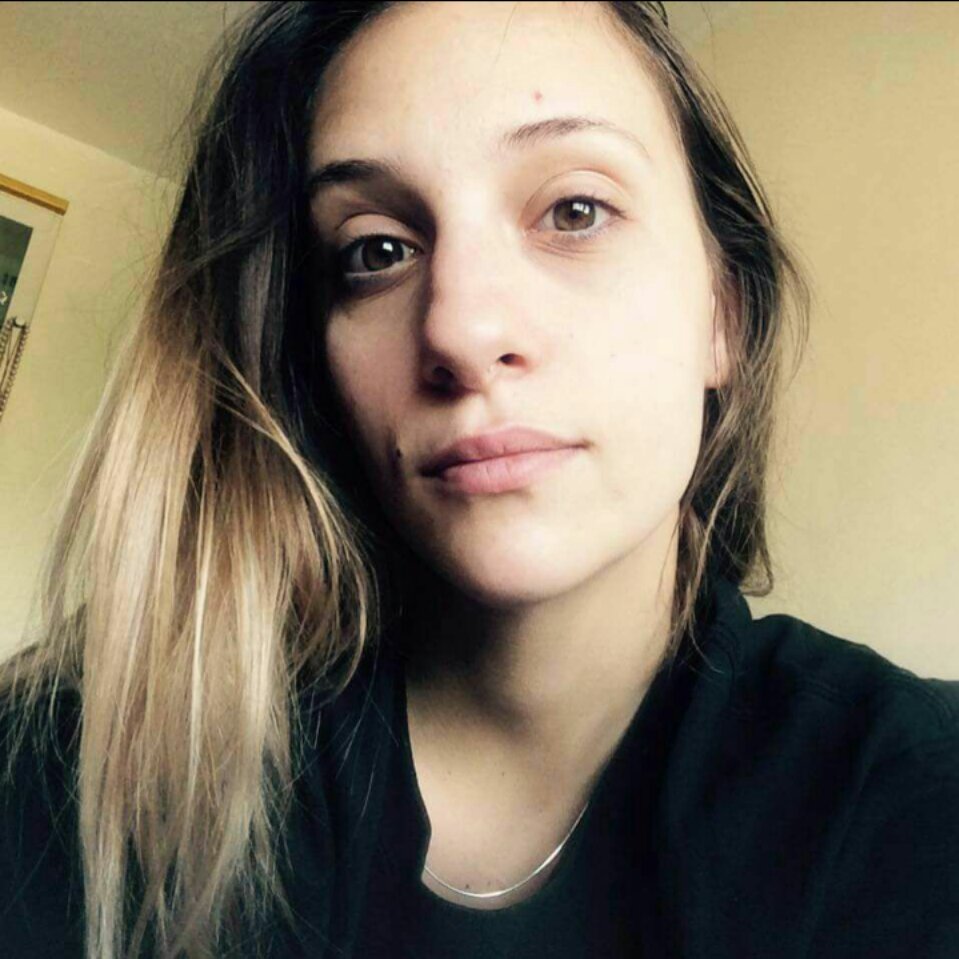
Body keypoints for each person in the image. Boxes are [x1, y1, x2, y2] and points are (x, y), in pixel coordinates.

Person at [2, 1, 958, 957]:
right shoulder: (76, 766)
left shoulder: (911, 792)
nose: (459, 328)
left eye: (574, 211)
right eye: (376, 251)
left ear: (724, 317)